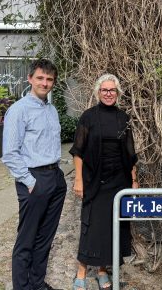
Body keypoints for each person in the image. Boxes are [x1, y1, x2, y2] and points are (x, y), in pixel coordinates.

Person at [2, 58, 67, 290]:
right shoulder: (18, 110)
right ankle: (22, 287)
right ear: (30, 79)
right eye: (40, 78)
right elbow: (9, 153)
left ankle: (37, 284)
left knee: (45, 239)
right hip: (33, 179)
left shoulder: (52, 110)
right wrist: (30, 182)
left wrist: (59, 178)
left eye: (49, 79)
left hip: (55, 179)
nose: (45, 83)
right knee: (27, 240)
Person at [70, 74, 139, 290]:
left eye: (112, 90)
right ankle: (81, 271)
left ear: (117, 93)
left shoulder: (123, 118)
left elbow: (130, 153)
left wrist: (134, 180)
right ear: (98, 92)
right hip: (94, 179)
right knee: (91, 225)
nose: (108, 94)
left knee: (112, 226)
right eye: (104, 90)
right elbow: (78, 152)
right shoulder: (88, 117)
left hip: (119, 180)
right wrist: (79, 179)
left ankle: (102, 271)